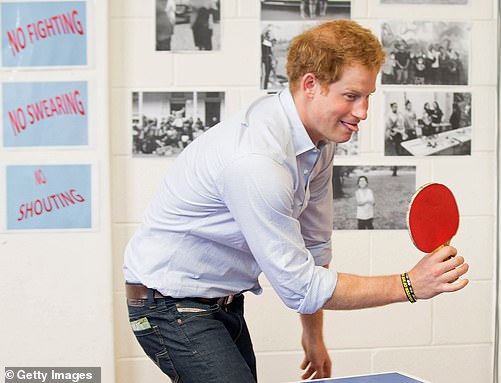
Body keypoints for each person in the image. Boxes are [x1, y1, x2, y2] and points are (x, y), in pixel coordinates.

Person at [123, 20, 469, 383]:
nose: (363, 112)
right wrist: (410, 284)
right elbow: (300, 286)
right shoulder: (258, 161)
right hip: (169, 304)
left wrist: (313, 335)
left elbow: (314, 249)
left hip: (220, 302)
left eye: (368, 96)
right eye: (351, 96)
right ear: (310, 85)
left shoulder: (318, 144)